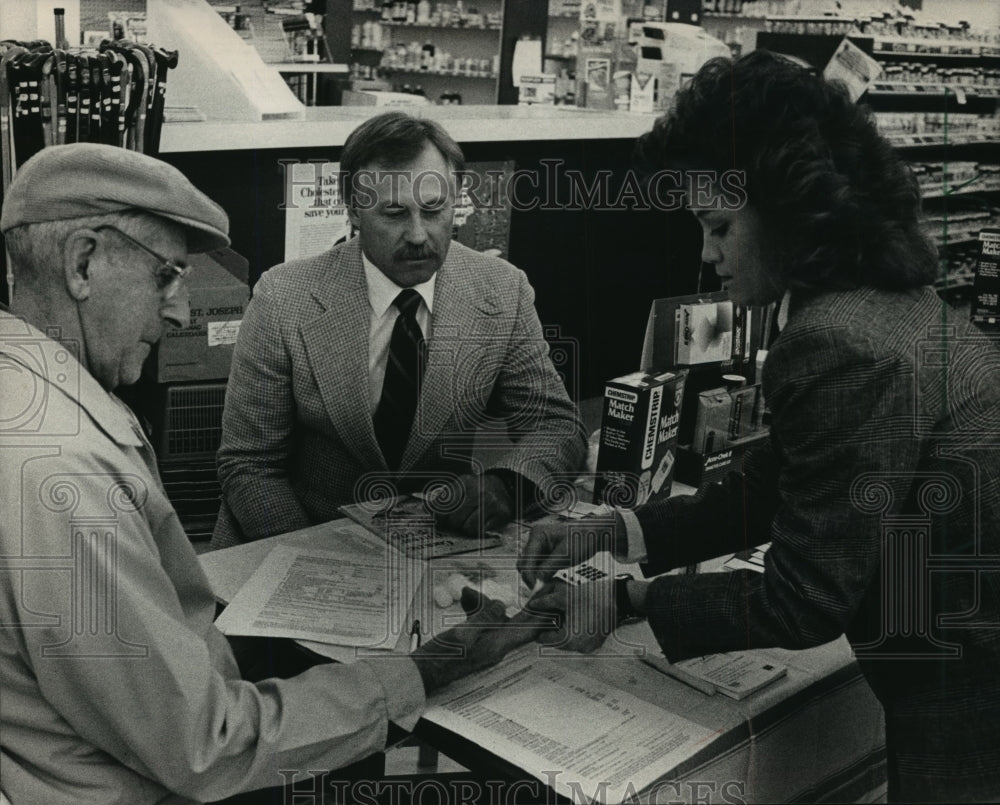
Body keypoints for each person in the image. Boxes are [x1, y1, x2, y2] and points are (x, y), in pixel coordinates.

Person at [520, 50, 1000, 803]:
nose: (706, 256)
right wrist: (617, 532)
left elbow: (802, 599)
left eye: (718, 227)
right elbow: (777, 480)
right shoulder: (871, 297)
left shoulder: (838, 337)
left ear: (788, 207)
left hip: (970, 696)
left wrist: (622, 602)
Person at [0, 143, 545, 805]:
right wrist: (427, 668)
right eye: (166, 276)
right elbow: (206, 745)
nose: (178, 312)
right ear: (83, 261)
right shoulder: (67, 470)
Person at [212, 111, 587, 548]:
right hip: (297, 537)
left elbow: (557, 424)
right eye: (393, 213)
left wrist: (508, 485)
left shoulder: (502, 290)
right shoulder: (284, 297)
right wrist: (312, 558)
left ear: (457, 200)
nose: (417, 234)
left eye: (433, 210)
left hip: (435, 546)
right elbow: (249, 465)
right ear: (353, 210)